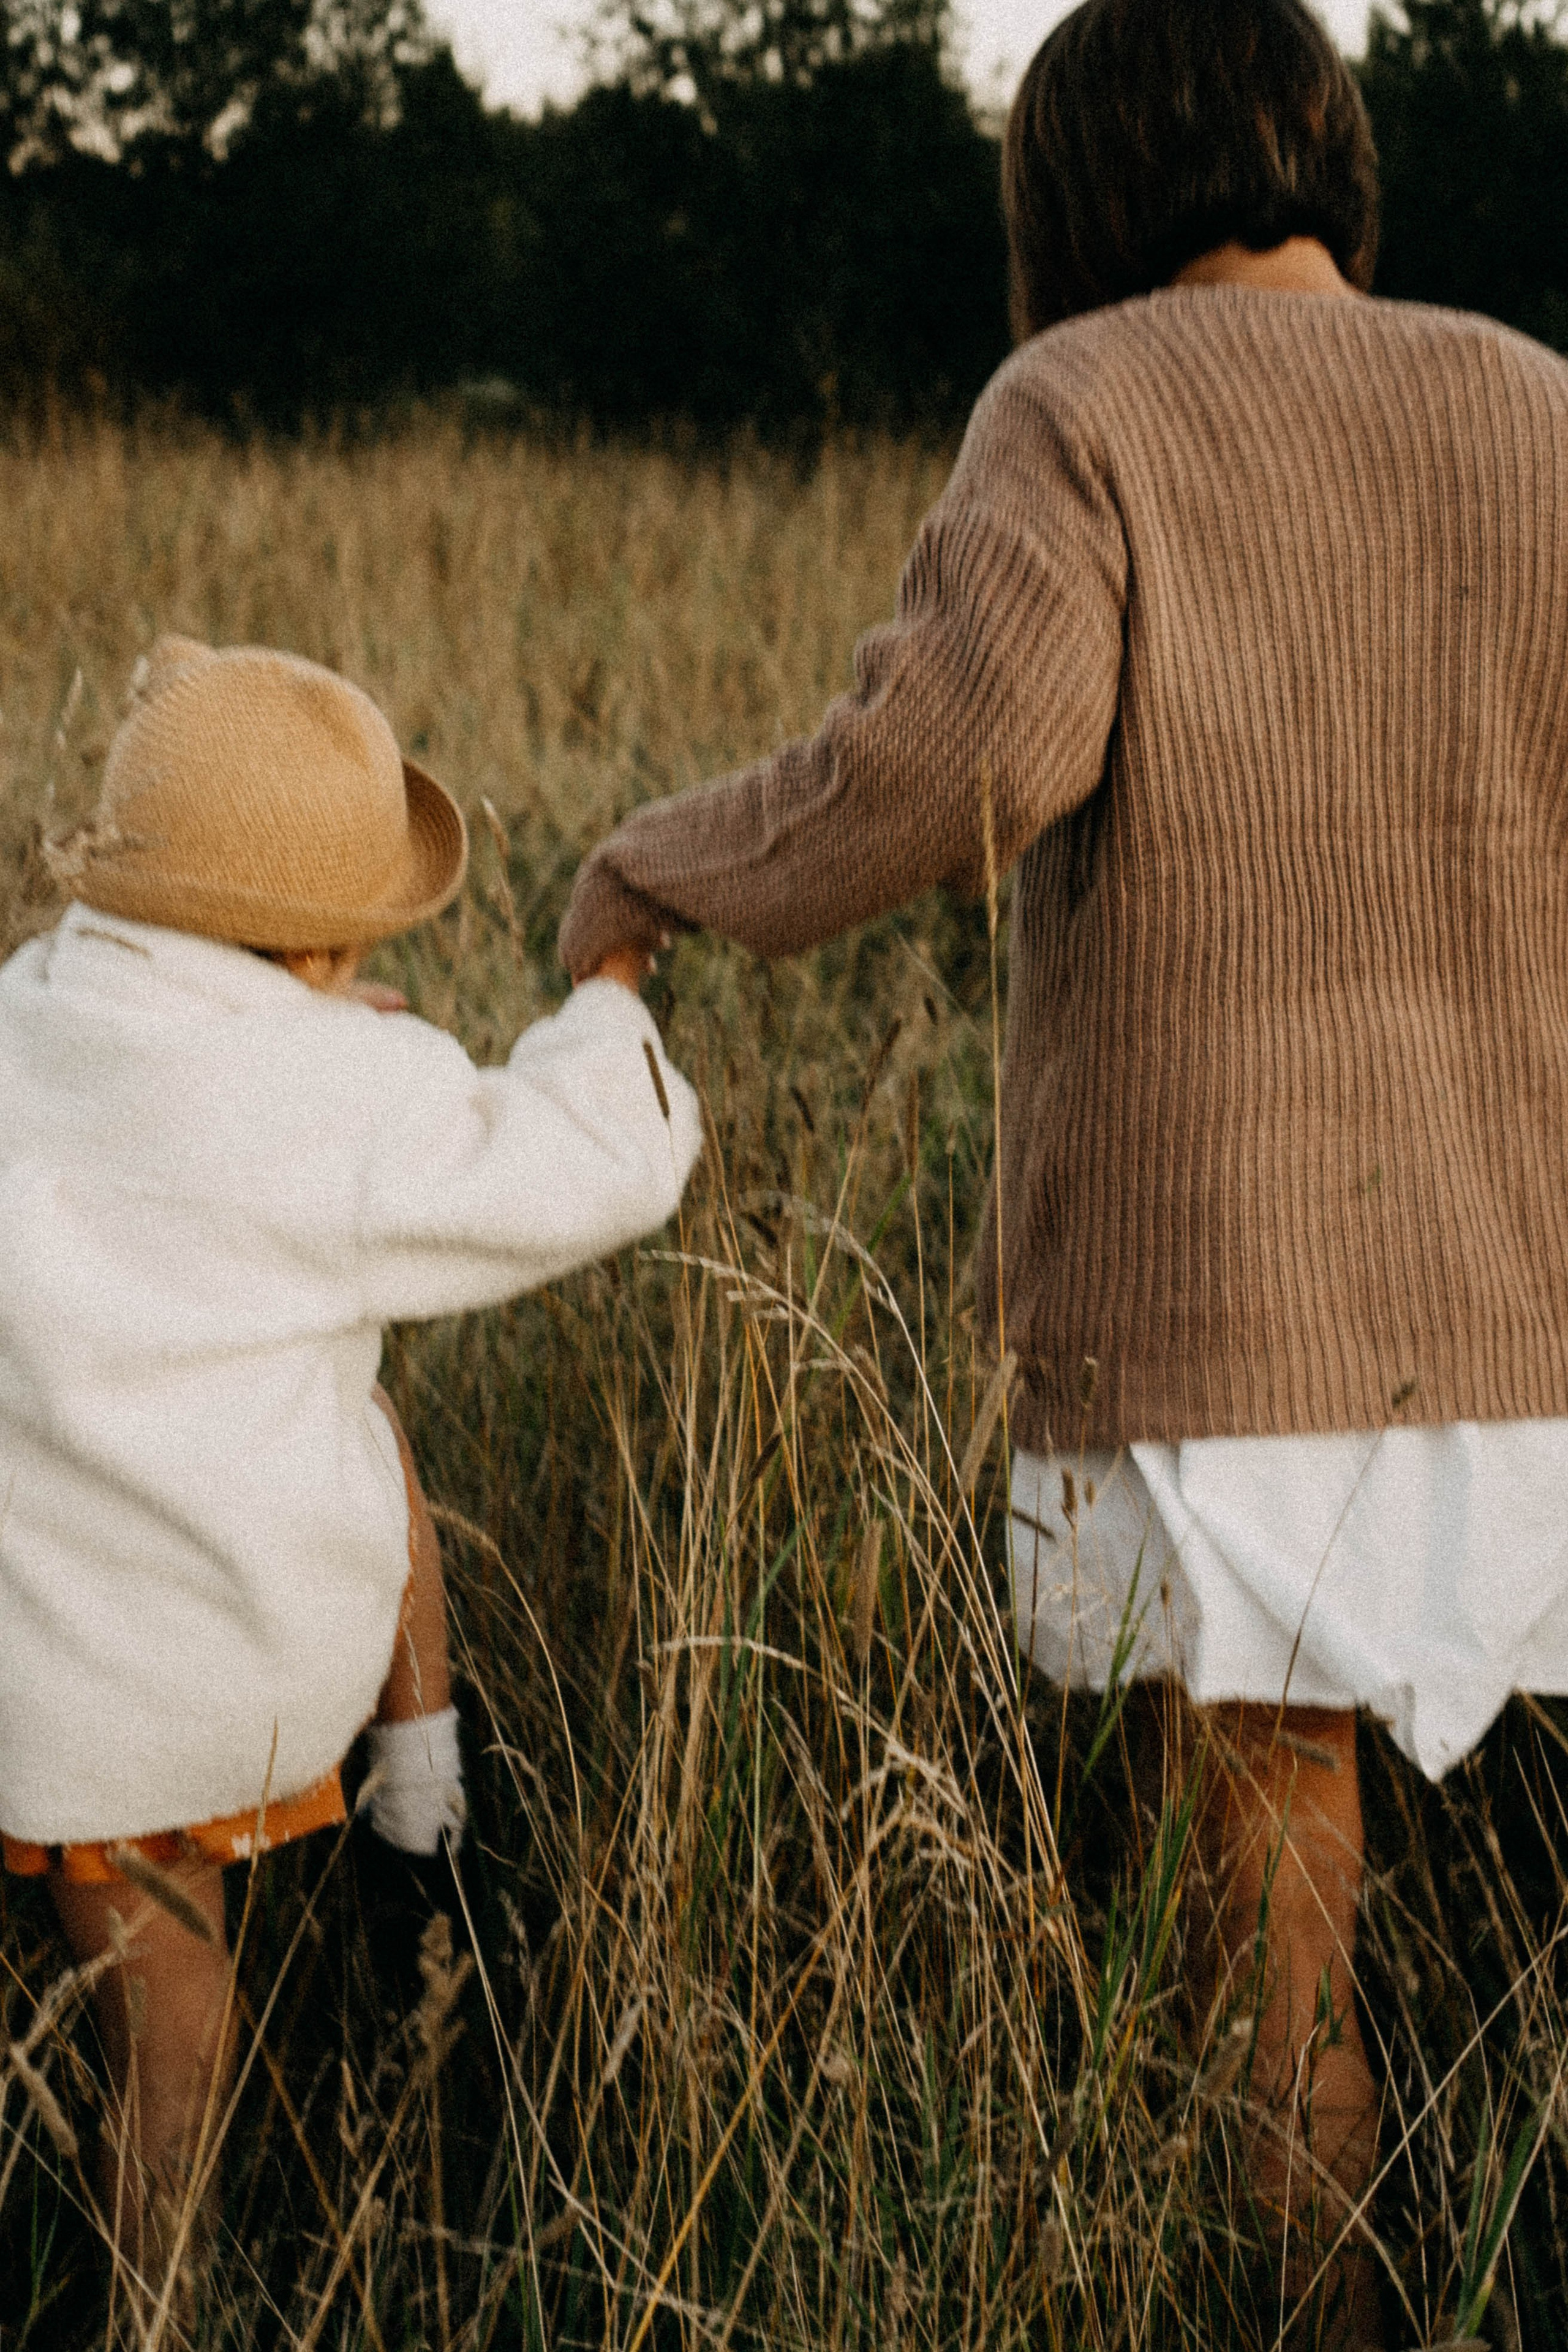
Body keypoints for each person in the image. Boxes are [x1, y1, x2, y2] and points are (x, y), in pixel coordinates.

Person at [558, 1, 1568, 2339]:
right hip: (1534, 1270)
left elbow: (965, 752)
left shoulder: (1087, 398)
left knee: (1268, 1866)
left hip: (1240, 1289)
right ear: (1324, 149)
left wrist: (663, 868)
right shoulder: (1537, 397)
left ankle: (1315, 2308)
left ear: (1073, 191)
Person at [0, 636, 701, 2304]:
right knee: (174, 2050)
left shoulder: (36, 1007)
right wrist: (604, 999)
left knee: (357, 1421)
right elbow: (604, 1162)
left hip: (43, 1619)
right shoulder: (338, 1091)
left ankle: (417, 1786)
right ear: (323, 940)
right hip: (154, 1694)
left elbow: (187, 1089)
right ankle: (152, 2307)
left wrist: (301, 1025)